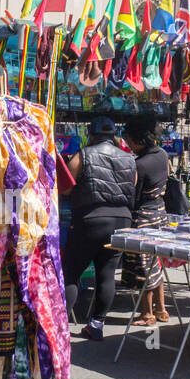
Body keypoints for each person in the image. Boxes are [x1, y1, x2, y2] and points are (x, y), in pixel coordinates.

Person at [62, 116, 136, 341]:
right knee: (107, 273)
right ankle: (96, 325)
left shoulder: (83, 155)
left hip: (91, 220)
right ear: (113, 136)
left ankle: (60, 327)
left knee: (71, 272)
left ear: (91, 135)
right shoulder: (129, 159)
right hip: (121, 220)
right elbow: (132, 186)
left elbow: (66, 187)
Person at [121, 117, 171, 326]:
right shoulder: (162, 155)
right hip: (160, 212)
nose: (129, 145)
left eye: (130, 141)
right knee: (156, 262)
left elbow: (133, 196)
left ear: (139, 140)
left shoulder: (139, 165)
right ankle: (161, 309)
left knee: (144, 266)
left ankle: (147, 314)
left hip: (143, 218)